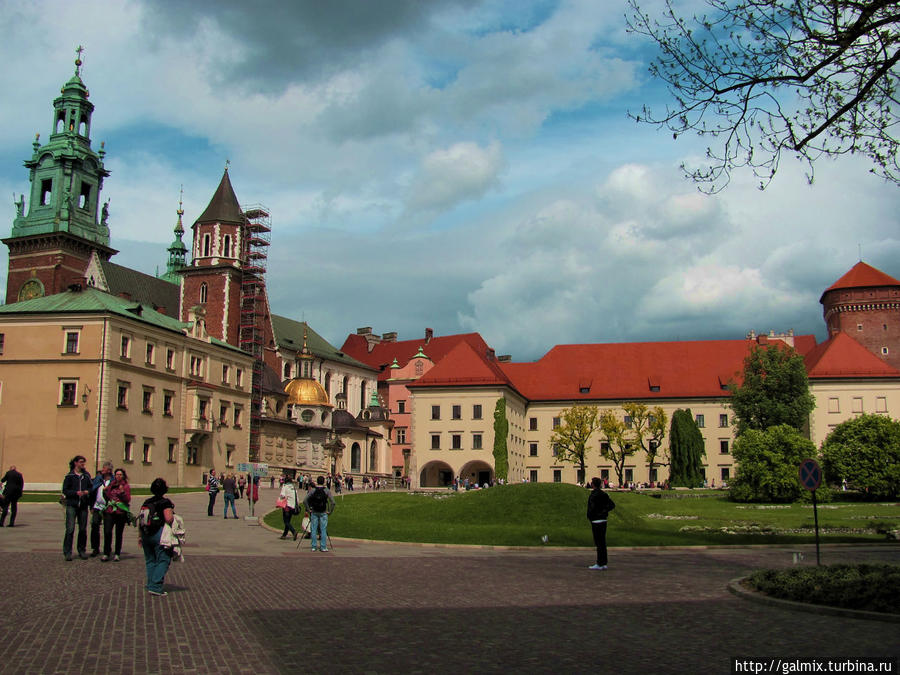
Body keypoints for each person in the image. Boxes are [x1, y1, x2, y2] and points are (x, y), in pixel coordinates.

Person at [138, 478, 175, 597]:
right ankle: (156, 586)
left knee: (150, 560)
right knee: (163, 559)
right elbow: (168, 518)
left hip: (145, 533)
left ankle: (151, 584)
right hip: (159, 533)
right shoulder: (165, 502)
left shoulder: (146, 502)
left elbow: (141, 519)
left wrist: (140, 536)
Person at [61, 455, 93, 561]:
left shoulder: (86, 476)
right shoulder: (70, 476)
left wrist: (87, 491)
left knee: (83, 529)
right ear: (75, 463)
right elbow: (65, 490)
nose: (82, 464)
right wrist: (75, 493)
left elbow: (91, 487)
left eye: (83, 462)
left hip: (83, 505)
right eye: (80, 462)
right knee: (70, 529)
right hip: (72, 505)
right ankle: (67, 551)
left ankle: (81, 550)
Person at [102, 468, 131, 562]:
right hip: (110, 511)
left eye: (120, 475)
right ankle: (106, 552)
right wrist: (105, 491)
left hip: (120, 512)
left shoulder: (125, 486)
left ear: (123, 476)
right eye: (117, 474)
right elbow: (107, 496)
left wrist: (122, 492)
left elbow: (127, 499)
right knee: (107, 532)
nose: (118, 476)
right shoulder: (112, 484)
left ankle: (117, 553)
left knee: (118, 533)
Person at [586, 477, 615, 571]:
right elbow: (612, 505)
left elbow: (591, 508)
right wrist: (604, 511)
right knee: (602, 543)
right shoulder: (604, 494)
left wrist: (591, 516)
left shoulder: (593, 495)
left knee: (598, 543)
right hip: (603, 520)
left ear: (593, 484)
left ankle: (599, 563)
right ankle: (604, 563)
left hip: (596, 521)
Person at [303, 475, 335, 552]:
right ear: (324, 481)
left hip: (314, 512)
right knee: (323, 529)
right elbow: (333, 502)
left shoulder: (313, 490)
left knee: (313, 529)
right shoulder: (326, 490)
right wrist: (330, 511)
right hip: (323, 512)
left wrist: (308, 509)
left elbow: (305, 500)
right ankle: (323, 547)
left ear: (317, 481)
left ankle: (314, 546)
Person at [89, 461, 114, 556]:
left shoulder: (113, 481)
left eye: (104, 468)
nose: (102, 470)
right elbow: (92, 492)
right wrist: (91, 506)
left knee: (107, 529)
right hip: (97, 506)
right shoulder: (98, 479)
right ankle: (95, 548)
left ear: (109, 470)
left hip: (108, 508)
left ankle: (107, 549)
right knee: (95, 525)